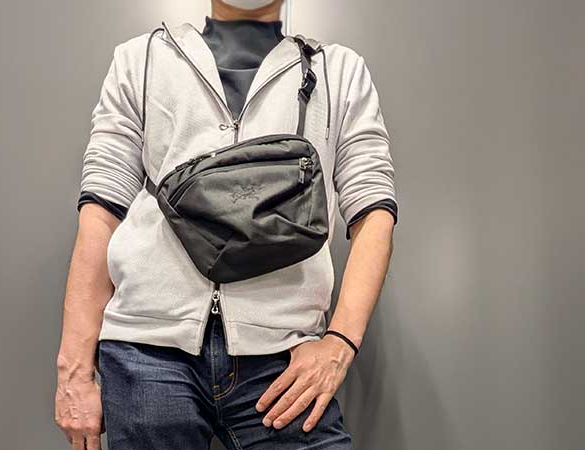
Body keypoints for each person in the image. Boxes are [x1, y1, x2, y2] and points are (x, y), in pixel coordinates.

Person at [55, 0, 398, 448]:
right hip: (147, 353)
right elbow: (101, 211)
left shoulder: (339, 71)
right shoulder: (140, 60)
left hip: (283, 356)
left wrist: (339, 344)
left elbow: (374, 210)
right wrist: (74, 371)